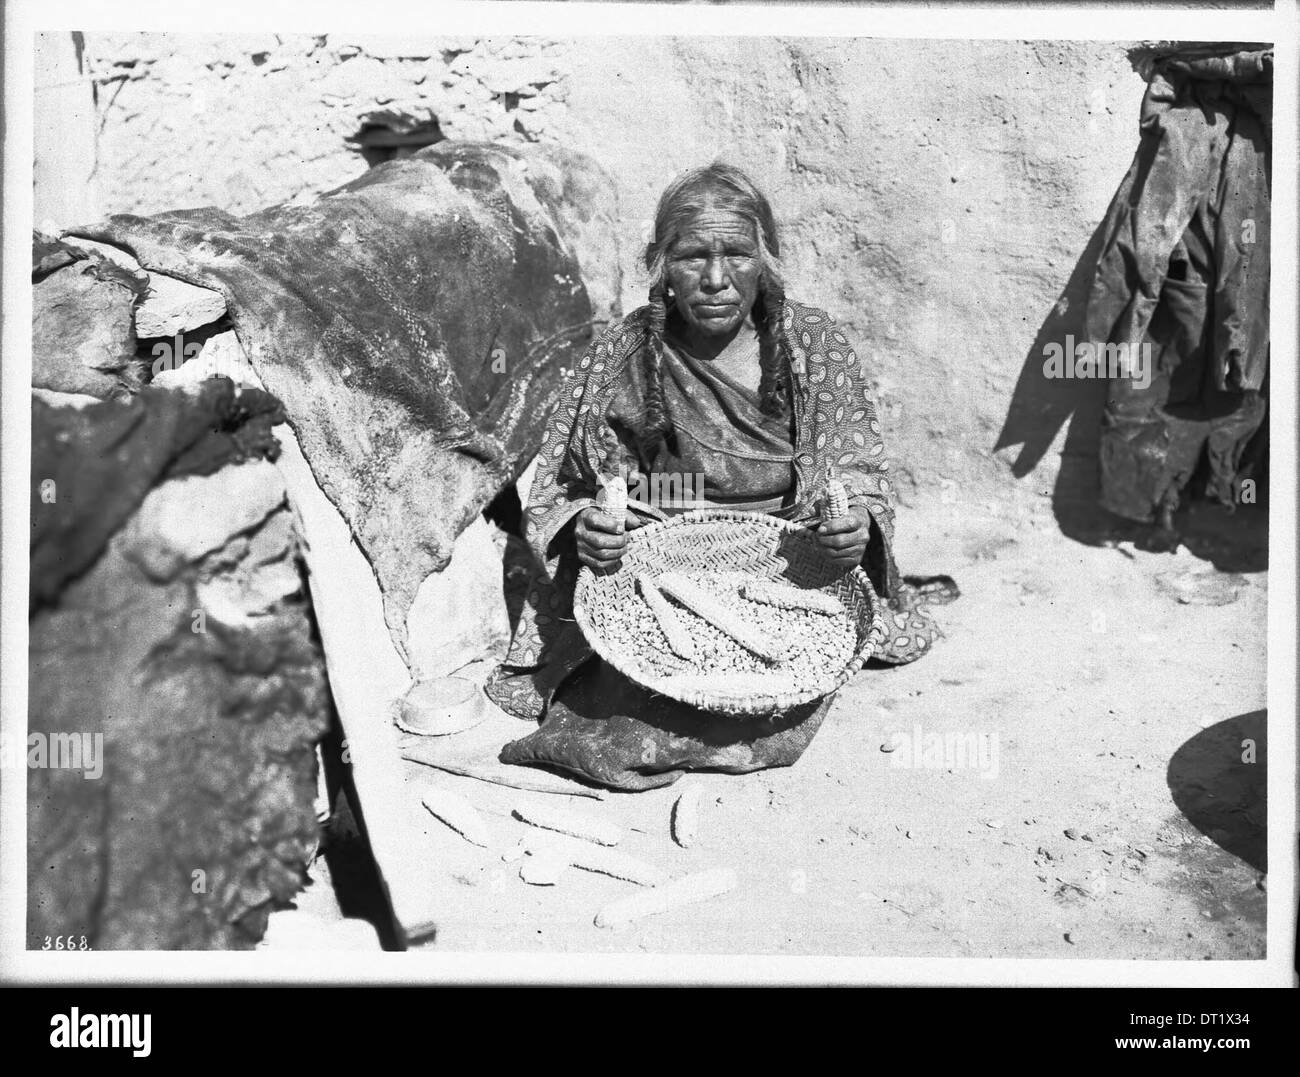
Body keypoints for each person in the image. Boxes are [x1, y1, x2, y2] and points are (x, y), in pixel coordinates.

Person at [485, 163, 950, 790]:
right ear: (660, 266)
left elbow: (852, 464)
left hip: (790, 557)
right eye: (690, 257)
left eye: (736, 253)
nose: (714, 279)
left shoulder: (809, 344)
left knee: (775, 679)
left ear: (767, 260)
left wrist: (854, 524)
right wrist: (593, 528)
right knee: (641, 682)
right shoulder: (624, 354)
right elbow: (571, 482)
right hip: (670, 549)